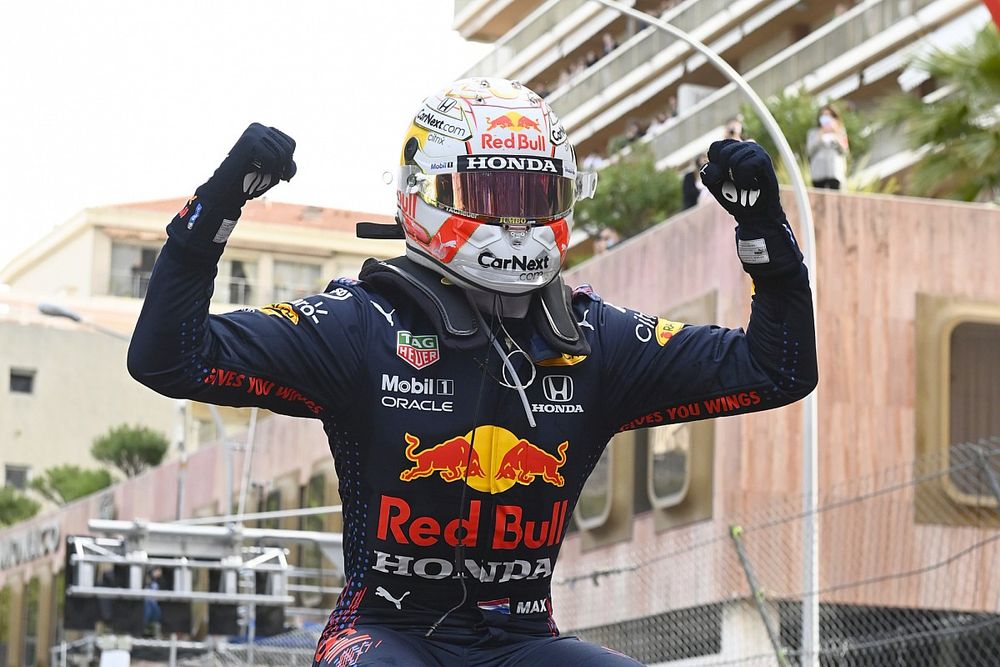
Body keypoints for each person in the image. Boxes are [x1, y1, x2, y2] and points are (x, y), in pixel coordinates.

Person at [128, 77, 817, 666]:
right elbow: (168, 355)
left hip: (519, 639)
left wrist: (765, 240)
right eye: (491, 190)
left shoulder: (596, 337)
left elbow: (778, 370)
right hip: (384, 633)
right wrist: (218, 204)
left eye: (537, 194)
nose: (516, 220)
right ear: (422, 195)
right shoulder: (359, 322)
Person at [807, 105, 849, 189]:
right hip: (818, 173)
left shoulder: (841, 132)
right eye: (824, 115)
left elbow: (845, 151)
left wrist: (836, 134)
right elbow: (809, 151)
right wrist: (820, 135)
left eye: (829, 115)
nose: (826, 118)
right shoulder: (813, 133)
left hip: (835, 173)